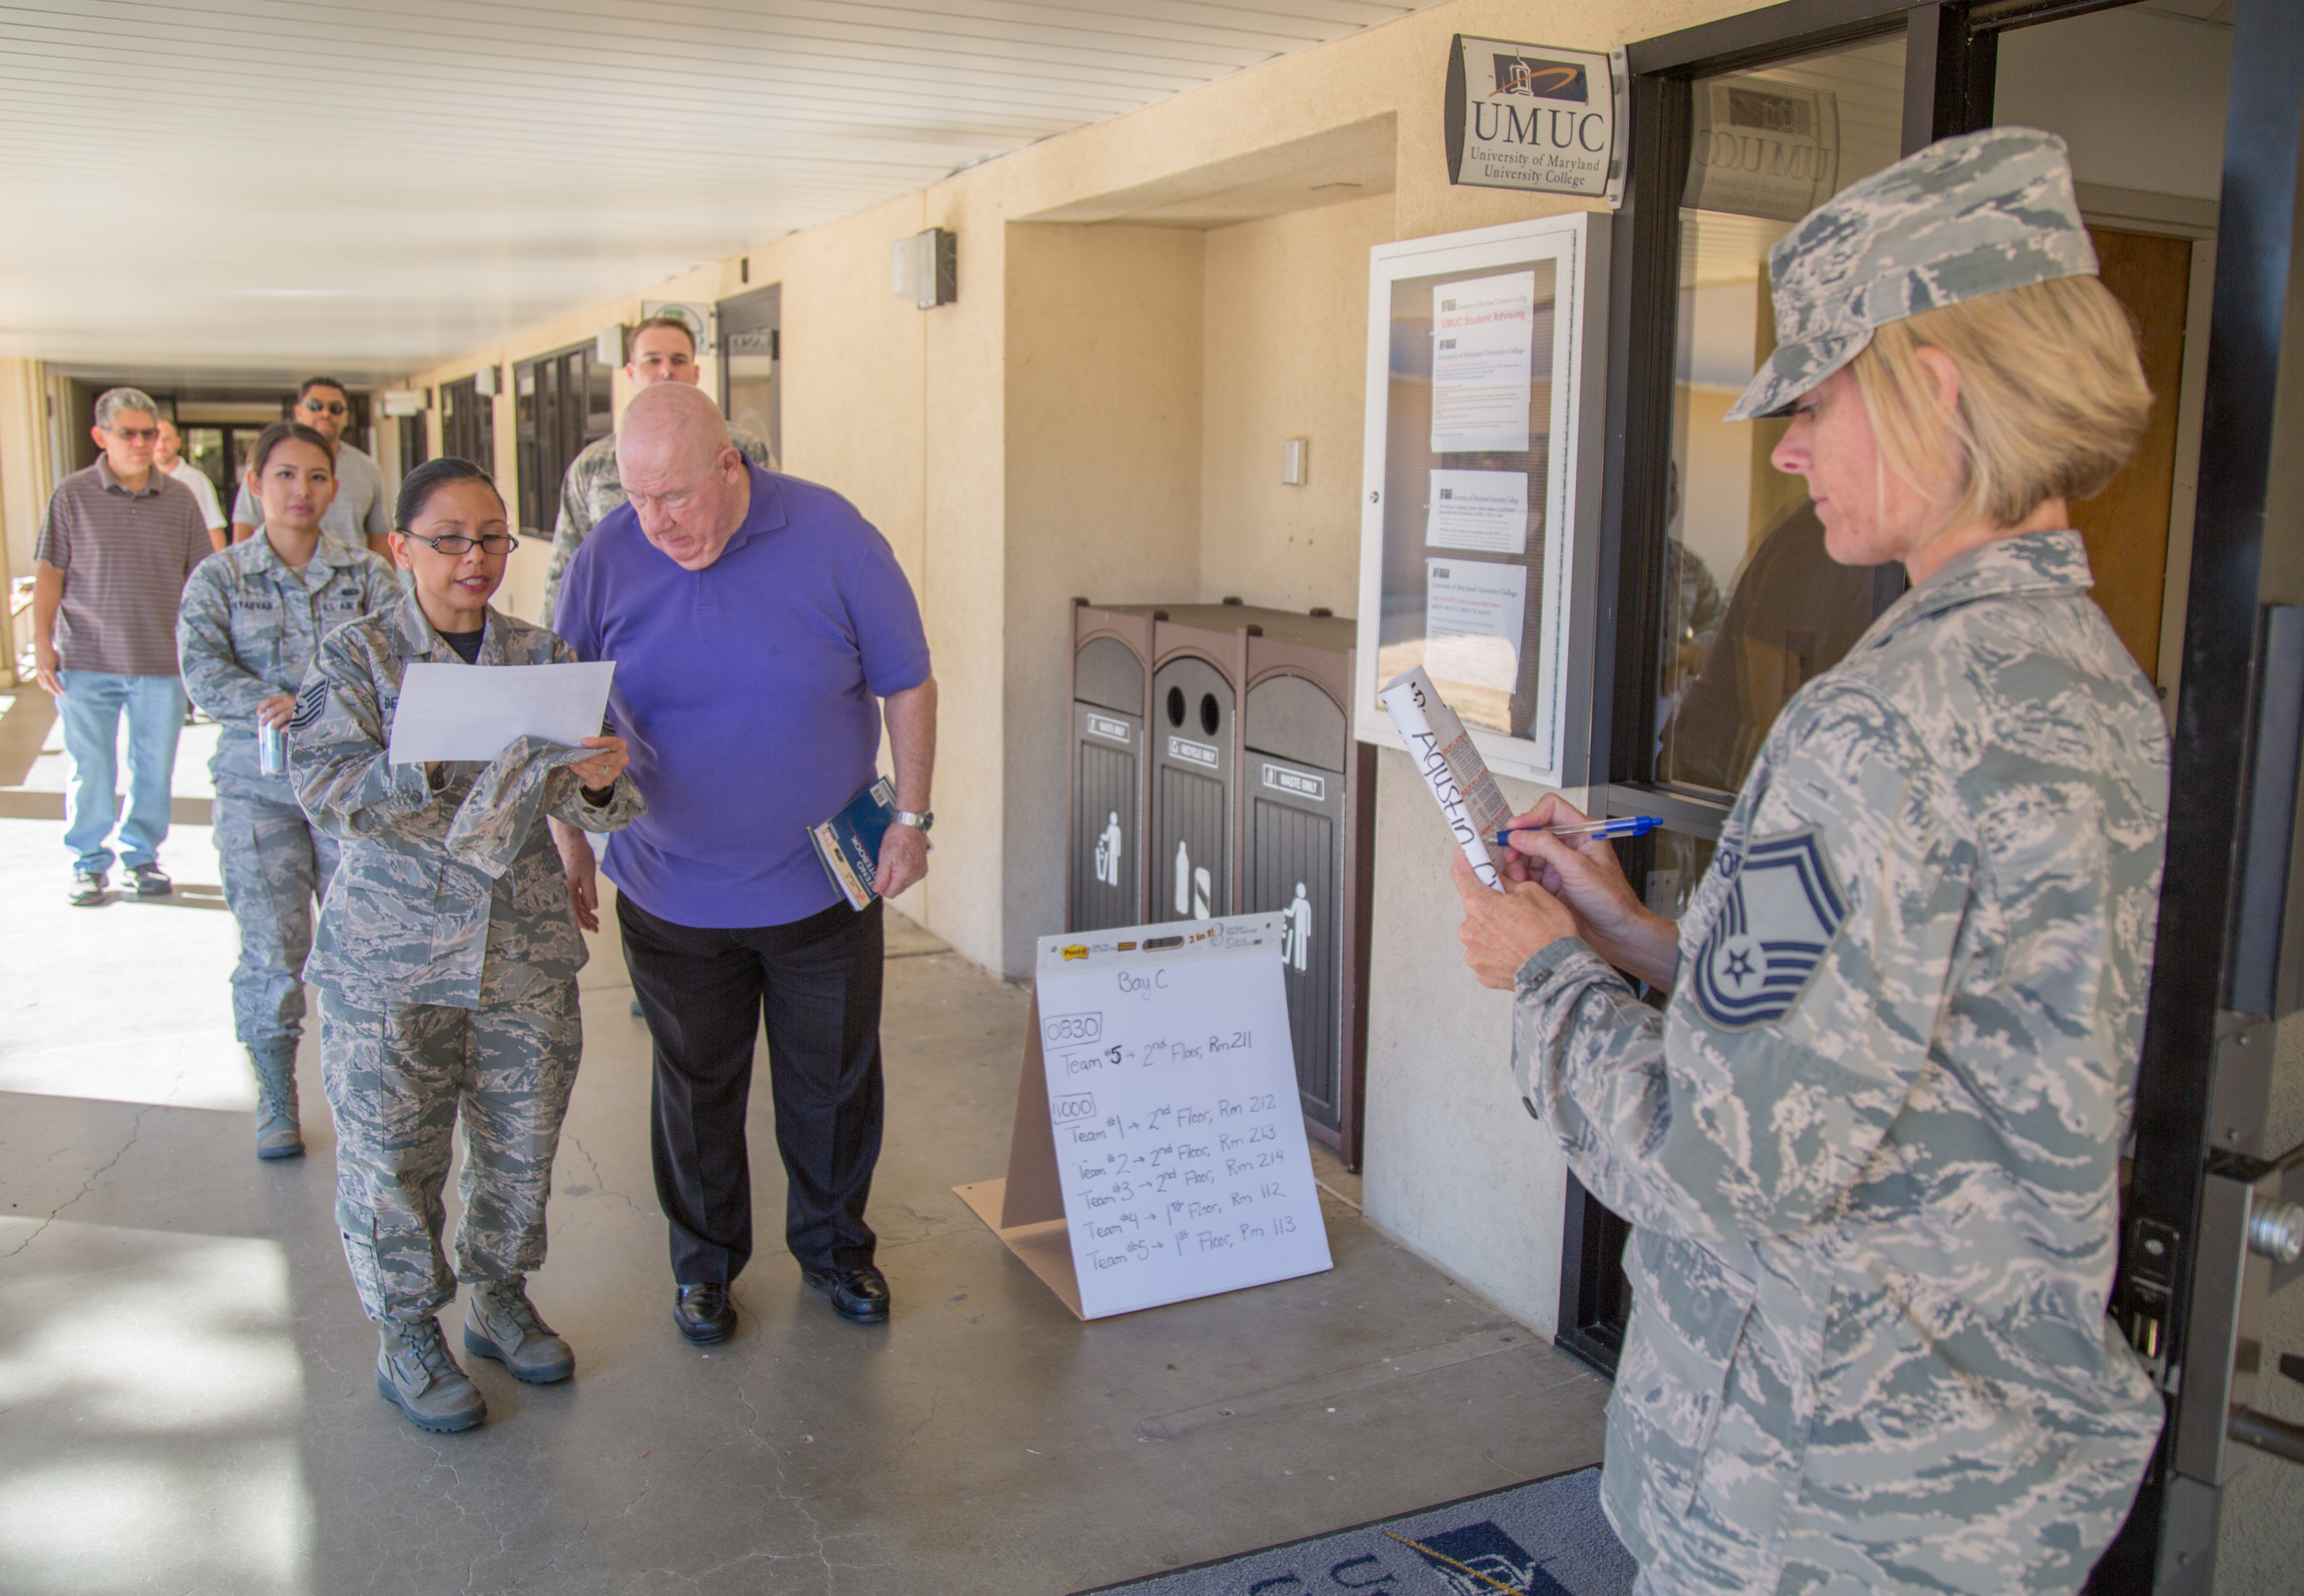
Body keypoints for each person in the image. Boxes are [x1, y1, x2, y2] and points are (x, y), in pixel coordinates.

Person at [1451, 130, 2167, 1595]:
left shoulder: (1884, 725)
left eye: (1816, 401)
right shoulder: (2084, 680)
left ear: (1937, 386)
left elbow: (1723, 1169)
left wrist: (1543, 984)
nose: (1783, 447)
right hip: (1972, 1480)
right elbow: (1903, 1030)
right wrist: (1634, 938)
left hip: (1813, 1493)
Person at [552, 381, 934, 1345]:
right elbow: (562, 713)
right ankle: (705, 1270)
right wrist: (570, 844)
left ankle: (837, 1248)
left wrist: (915, 817)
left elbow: (908, 681)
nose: (655, 521)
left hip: (821, 884)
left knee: (834, 1082)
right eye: (636, 499)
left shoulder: (835, 535)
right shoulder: (607, 558)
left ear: (732, 466)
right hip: (671, 887)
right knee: (695, 1089)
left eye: (674, 496)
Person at [292, 457, 642, 1433]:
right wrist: (426, 766)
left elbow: (587, 803)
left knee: (520, 1146)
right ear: (400, 548)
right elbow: (323, 789)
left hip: (522, 957)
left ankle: (498, 1295)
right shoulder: (355, 659)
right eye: (448, 539)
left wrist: (602, 781)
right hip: (391, 964)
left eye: (492, 537)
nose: (474, 558)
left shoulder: (543, 656)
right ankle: (407, 1331)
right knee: (393, 1158)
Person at [177, 420, 400, 1160]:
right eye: (284, 476)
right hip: (259, 789)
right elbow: (201, 666)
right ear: (254, 483)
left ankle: (364, 1090)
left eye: (315, 477)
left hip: (350, 793)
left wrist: (324, 707)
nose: (300, 491)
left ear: (335, 490)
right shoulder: (221, 577)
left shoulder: (368, 577)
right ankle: (275, 1095)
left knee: (359, 946)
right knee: (273, 950)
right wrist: (265, 702)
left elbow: (397, 664)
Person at [31, 386, 213, 905]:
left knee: (153, 767)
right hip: (86, 661)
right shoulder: (72, 494)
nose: (139, 443)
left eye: (147, 433)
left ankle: (142, 857)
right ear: (100, 436)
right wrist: (42, 643)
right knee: (92, 767)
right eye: (126, 433)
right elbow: (50, 573)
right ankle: (88, 864)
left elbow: (200, 580)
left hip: (161, 663)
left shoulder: (179, 499)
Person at [536, 315, 774, 623]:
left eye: (678, 360)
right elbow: (566, 568)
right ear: (631, 372)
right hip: (632, 625)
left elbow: (772, 535)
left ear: (695, 372)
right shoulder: (593, 465)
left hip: (728, 615)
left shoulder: (742, 449)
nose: (666, 370)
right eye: (652, 360)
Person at [231, 377, 391, 555]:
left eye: (335, 409)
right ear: (299, 412)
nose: (325, 414)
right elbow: (246, 528)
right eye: (315, 406)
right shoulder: (268, 463)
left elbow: (380, 540)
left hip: (351, 578)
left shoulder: (368, 470)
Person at [154, 418, 228, 553]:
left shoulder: (197, 481)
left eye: (166, 440)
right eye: (156, 439)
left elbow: (213, 529)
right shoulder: (135, 481)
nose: (161, 445)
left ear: (178, 442)